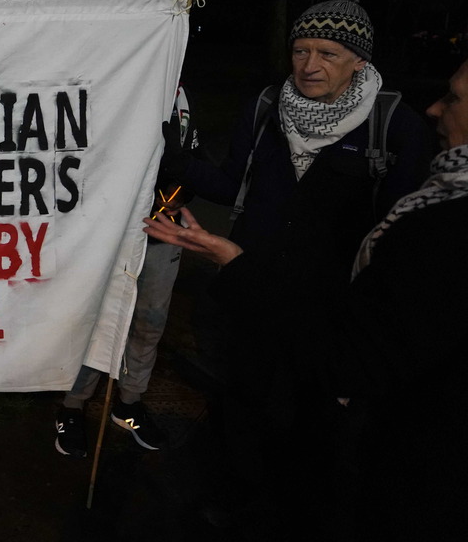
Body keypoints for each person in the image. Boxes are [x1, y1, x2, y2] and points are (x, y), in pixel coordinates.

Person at [143, 57, 468, 537]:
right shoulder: (267, 107)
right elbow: (234, 182)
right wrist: (179, 163)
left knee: (305, 429)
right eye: (301, 49)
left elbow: (397, 233)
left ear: (359, 59)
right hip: (258, 301)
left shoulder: (393, 125)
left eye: (328, 52)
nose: (309, 64)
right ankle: (241, 495)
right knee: (245, 404)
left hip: (328, 317)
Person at [55, 85, 200, 457]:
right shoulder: (122, 73)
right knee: (96, 316)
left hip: (162, 234)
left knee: (149, 320)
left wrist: (176, 190)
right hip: (108, 232)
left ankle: (129, 404)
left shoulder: (180, 95)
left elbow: (189, 167)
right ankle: (72, 405)